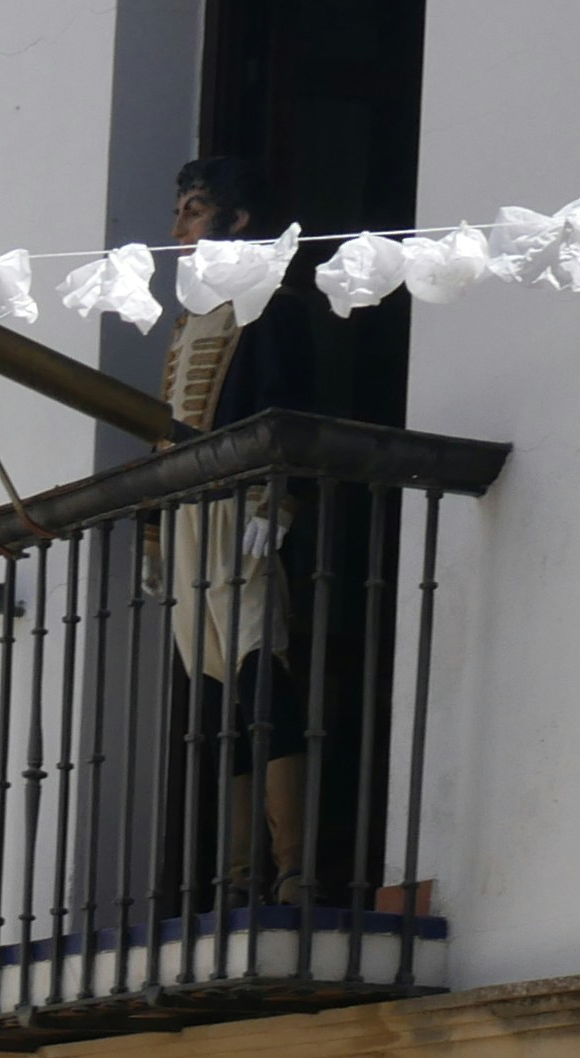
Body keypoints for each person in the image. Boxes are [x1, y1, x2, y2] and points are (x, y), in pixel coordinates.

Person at [154, 153, 324, 898]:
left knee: (261, 674)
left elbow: (290, 412)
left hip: (242, 508)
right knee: (217, 690)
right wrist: (160, 536)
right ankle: (236, 870)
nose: (179, 225)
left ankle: (291, 865)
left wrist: (276, 503)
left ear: (238, 219)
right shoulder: (192, 322)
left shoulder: (272, 307)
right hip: (192, 512)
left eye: (194, 208)